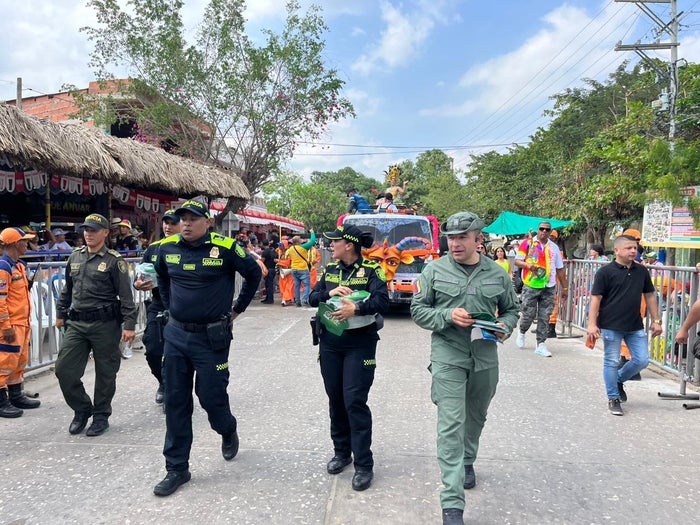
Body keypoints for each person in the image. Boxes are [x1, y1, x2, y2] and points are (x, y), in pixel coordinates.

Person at [410, 211, 520, 525]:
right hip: (448, 354)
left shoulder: (497, 273)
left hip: (484, 355)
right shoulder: (434, 270)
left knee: (476, 416)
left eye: (462, 237)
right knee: (450, 424)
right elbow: (418, 310)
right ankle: (452, 503)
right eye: (451, 238)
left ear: (478, 239)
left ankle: (467, 459)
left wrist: (505, 325)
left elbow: (511, 310)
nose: (455, 244)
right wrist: (447, 316)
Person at [152, 199, 261, 497]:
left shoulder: (226, 248)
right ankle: (177, 468)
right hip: (176, 335)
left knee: (211, 397)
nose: (186, 224)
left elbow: (254, 274)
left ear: (208, 222)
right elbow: (161, 277)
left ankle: (227, 428)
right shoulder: (167, 248)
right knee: (175, 401)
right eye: (182, 219)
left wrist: (237, 310)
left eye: (193, 218)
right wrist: (169, 307)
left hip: (212, 338)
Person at [308, 224, 389, 493]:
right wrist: (328, 293)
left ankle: (364, 464)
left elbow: (383, 301)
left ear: (349, 245)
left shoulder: (373, 270)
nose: (331, 246)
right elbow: (312, 298)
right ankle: (341, 453)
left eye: (335, 242)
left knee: (354, 400)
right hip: (330, 344)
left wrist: (358, 308)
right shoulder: (330, 269)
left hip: (360, 344)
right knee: (336, 399)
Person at [54, 213, 137, 436]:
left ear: (105, 233)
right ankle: (82, 409)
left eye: (94, 230)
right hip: (77, 323)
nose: (88, 234)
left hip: (105, 325)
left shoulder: (114, 261)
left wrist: (130, 325)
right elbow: (67, 289)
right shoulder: (75, 257)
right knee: (64, 370)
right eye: (86, 230)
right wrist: (60, 313)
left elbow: (126, 296)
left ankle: (101, 415)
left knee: (106, 373)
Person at [587, 235, 662, 416]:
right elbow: (596, 299)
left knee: (642, 360)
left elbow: (649, 295)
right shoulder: (605, 272)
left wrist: (656, 321)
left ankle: (618, 379)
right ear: (617, 250)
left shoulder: (641, 271)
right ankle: (613, 398)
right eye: (629, 248)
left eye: (635, 248)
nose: (633, 251)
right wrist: (592, 324)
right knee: (611, 361)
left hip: (634, 325)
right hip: (611, 325)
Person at [133, 209, 181, 405]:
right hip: (158, 303)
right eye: (165, 222)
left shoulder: (189, 248)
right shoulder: (153, 249)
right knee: (153, 349)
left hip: (183, 306)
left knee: (177, 353)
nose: (168, 227)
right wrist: (138, 284)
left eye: (173, 223)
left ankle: (174, 391)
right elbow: (140, 276)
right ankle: (163, 382)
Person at [0, 227, 41, 417]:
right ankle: (2, 402)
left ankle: (16, 396)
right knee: (4, 362)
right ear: (16, 244)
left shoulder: (19, 266)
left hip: (22, 323)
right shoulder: (4, 268)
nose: (27, 244)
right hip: (10, 325)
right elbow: (0, 301)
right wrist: (5, 327)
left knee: (19, 362)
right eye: (25, 241)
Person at [514, 221, 567, 357]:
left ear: (550, 232)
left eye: (547, 229)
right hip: (531, 285)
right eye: (542, 229)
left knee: (545, 316)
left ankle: (541, 344)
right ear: (537, 230)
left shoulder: (554, 247)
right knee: (529, 314)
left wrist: (565, 288)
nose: (544, 231)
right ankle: (522, 331)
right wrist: (527, 265)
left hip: (549, 286)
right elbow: (517, 261)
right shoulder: (528, 243)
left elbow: (560, 269)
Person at [284, 231, 317, 307]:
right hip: (303, 269)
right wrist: (312, 232)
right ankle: (304, 299)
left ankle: (297, 301)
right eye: (300, 239)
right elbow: (312, 241)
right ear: (299, 241)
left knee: (297, 286)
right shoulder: (303, 247)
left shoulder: (290, 249)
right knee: (307, 285)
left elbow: (286, 256)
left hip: (294, 269)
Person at [260, 239, 278, 304]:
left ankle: (270, 299)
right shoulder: (273, 250)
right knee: (269, 284)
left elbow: (262, 261)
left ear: (263, 244)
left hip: (268, 269)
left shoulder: (265, 252)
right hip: (273, 269)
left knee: (268, 285)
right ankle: (268, 298)